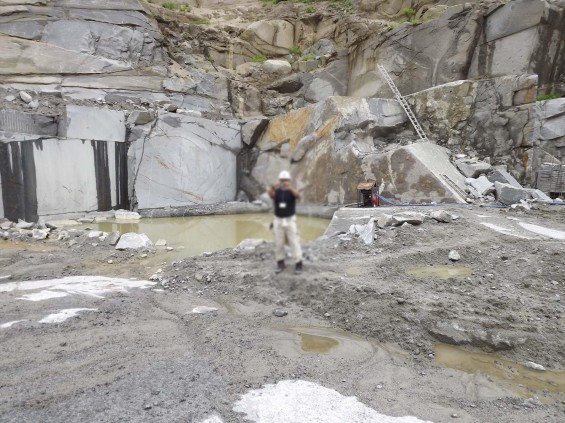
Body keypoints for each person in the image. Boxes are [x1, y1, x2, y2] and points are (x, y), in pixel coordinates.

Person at [268, 170, 303, 275]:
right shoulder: (277, 192)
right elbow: (270, 194)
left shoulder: (291, 191)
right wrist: (273, 186)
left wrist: (290, 187)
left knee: (294, 242)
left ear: (289, 181)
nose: (284, 182)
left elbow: (298, 196)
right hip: (278, 220)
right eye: (282, 180)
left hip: (290, 220)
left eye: (285, 180)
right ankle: (280, 263)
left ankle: (298, 263)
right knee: (279, 243)